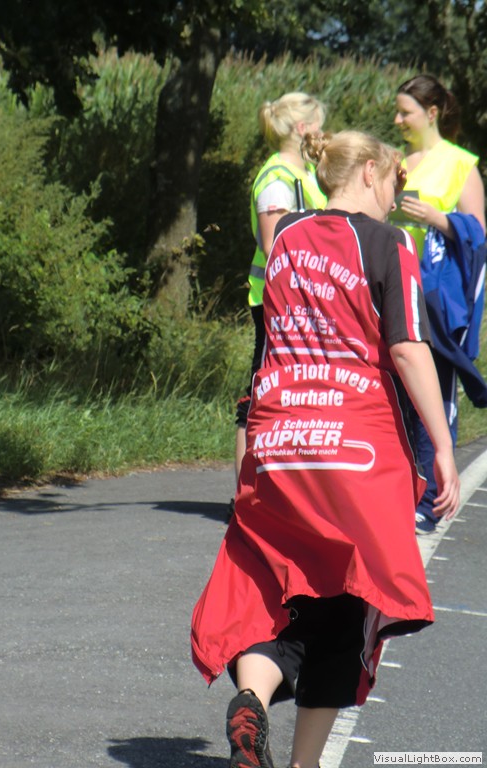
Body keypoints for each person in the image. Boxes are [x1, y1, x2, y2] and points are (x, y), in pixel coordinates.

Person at [191, 130, 460, 768]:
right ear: (368, 171)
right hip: (354, 447)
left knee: (272, 585)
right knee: (349, 599)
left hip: (280, 437)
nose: (395, 196)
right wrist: (443, 444)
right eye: (393, 180)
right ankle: (304, 762)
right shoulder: (390, 244)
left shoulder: (286, 235)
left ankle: (252, 700)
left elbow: (269, 336)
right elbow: (406, 347)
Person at [393, 74, 487, 534]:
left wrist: (438, 218)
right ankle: (399, 491)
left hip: (434, 298)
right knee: (396, 394)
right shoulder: (395, 161)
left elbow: (478, 233)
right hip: (391, 287)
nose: (397, 120)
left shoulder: (460, 164)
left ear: (431, 113)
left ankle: (431, 500)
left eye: (405, 112)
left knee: (433, 396)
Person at [232, 92, 327, 517]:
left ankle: (287, 497)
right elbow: (274, 246)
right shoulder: (276, 178)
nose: (324, 131)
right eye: (319, 124)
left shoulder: (307, 173)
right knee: (258, 395)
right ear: (302, 128)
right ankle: (245, 499)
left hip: (305, 303)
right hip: (275, 304)